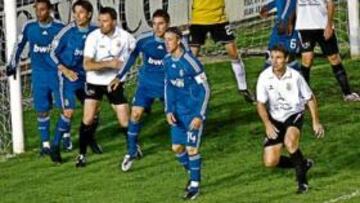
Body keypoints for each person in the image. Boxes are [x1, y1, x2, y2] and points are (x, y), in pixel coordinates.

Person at [256, 45, 325, 193]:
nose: (274, 61)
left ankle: (302, 183)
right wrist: (267, 124)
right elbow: (260, 104)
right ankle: (302, 163)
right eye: (272, 57)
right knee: (270, 162)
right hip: (275, 118)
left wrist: (315, 121)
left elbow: (310, 98)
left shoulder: (295, 77)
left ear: (286, 59)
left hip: (294, 114)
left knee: (290, 142)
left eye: (278, 58)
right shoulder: (264, 77)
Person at [109, 9, 171, 171]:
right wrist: (119, 76)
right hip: (146, 85)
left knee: (174, 117)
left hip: (167, 86)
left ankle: (185, 144)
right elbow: (131, 57)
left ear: (168, 24)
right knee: (135, 115)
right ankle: (131, 152)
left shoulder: (175, 41)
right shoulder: (144, 40)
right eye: (154, 24)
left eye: (161, 24)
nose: (157, 28)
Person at [76, 7, 135, 167]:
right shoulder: (92, 37)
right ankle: (81, 155)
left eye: (105, 21)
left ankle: (132, 149)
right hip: (94, 82)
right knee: (88, 118)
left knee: (124, 120)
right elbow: (87, 65)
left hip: (114, 82)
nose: (101, 24)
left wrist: (124, 68)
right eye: (100, 21)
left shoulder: (125, 37)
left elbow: (135, 54)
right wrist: (109, 63)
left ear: (114, 22)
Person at [6, 0, 64, 156]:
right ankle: (45, 145)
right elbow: (19, 45)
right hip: (38, 75)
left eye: (43, 10)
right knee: (41, 110)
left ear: (50, 10)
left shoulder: (59, 28)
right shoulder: (29, 27)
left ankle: (66, 137)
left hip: (56, 75)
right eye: (37, 10)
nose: (39, 13)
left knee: (63, 108)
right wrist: (12, 63)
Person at [48, 0, 100, 163]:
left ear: (89, 14)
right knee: (69, 112)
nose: (77, 16)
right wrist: (65, 70)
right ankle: (54, 146)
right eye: (75, 12)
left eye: (81, 12)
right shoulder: (67, 32)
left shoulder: (96, 32)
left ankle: (89, 138)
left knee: (94, 110)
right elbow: (51, 53)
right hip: (69, 76)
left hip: (87, 76)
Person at [163, 27, 210, 200]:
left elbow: (205, 88)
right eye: (165, 39)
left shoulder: (191, 62)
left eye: (170, 39)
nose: (166, 43)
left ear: (179, 41)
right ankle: (194, 170)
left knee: (191, 148)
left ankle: (195, 185)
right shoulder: (167, 60)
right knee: (177, 148)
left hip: (193, 112)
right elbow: (168, 85)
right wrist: (168, 110)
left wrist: (200, 115)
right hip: (178, 113)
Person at [189, 0, 254, 103]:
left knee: (233, 53)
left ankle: (243, 88)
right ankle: (192, 89)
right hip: (198, 19)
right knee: (191, 60)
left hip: (220, 19)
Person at [295, 0, 360, 101]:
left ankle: (347, 93)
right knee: (307, 60)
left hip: (323, 26)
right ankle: (304, 96)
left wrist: (329, 25)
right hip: (305, 27)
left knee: (334, 58)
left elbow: (330, 3)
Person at [260, 0, 300, 70]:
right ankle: (266, 79)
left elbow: (295, 6)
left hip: (290, 29)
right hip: (279, 28)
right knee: (270, 55)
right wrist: (267, 7)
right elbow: (277, 3)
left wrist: (288, 22)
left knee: (290, 57)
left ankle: (298, 79)